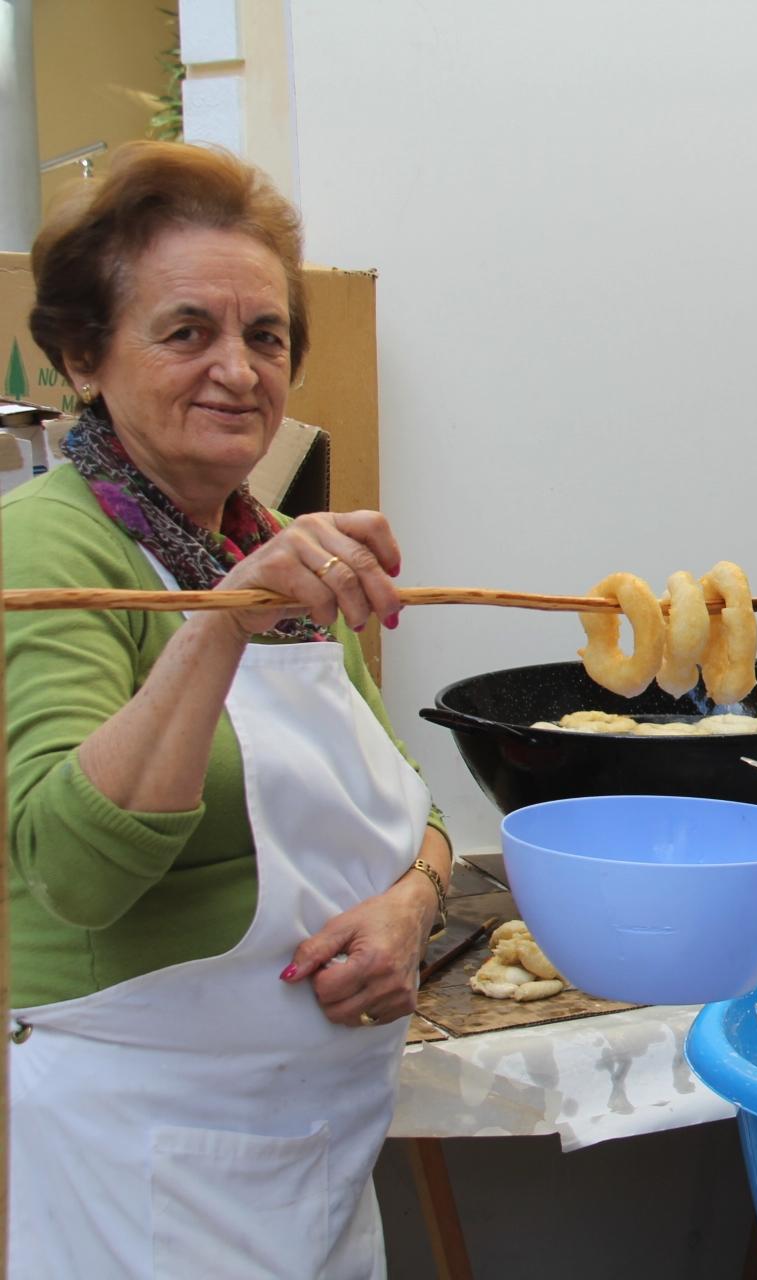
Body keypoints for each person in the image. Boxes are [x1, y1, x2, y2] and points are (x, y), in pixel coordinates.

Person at [6, 142, 451, 1277]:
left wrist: (411, 904)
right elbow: (72, 870)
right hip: (137, 1154)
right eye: (186, 331)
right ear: (84, 354)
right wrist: (222, 622)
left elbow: (411, 803)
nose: (239, 371)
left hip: (315, 1153)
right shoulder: (47, 550)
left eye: (266, 335)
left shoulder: (270, 543)